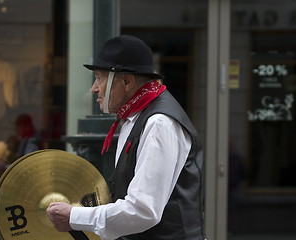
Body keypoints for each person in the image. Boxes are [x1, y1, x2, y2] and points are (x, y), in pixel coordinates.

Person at [46, 35, 205, 240]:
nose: (94, 88)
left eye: (99, 78)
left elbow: (143, 210)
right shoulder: (137, 117)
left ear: (127, 81)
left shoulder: (159, 123)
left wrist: (74, 216)